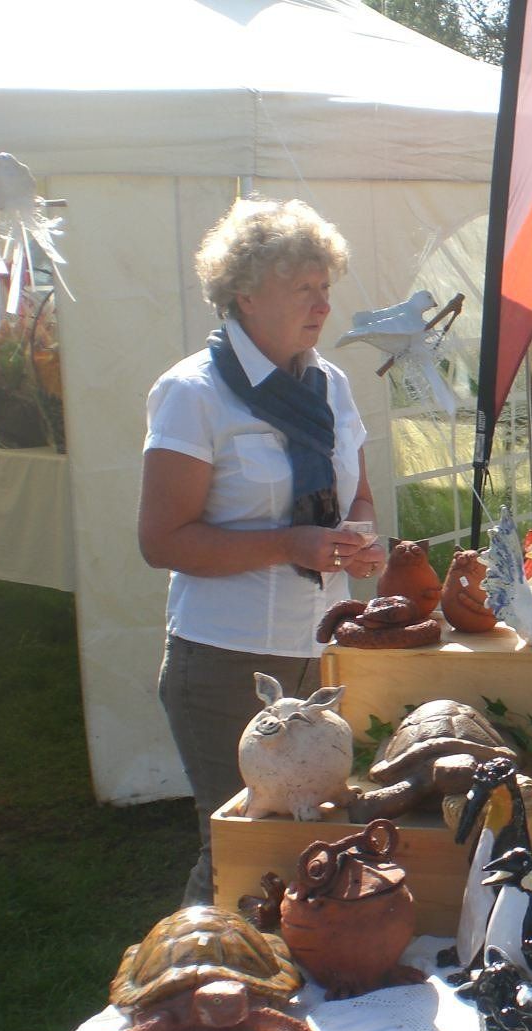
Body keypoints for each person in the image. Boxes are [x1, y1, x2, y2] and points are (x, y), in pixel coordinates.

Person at [138, 197, 386, 905]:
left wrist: (357, 542)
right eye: (303, 287)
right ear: (245, 294)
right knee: (239, 849)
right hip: (225, 660)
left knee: (312, 845)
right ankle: (188, 967)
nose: (323, 304)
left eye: (325, 285)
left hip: (322, 653)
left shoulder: (330, 384)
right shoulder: (193, 392)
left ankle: (286, 969)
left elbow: (360, 497)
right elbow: (162, 540)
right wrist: (289, 543)